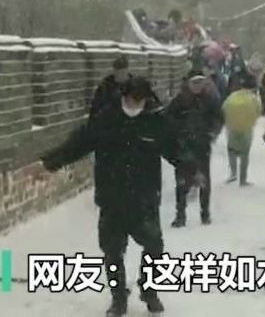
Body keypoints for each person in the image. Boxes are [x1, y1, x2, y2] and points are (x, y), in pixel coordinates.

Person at [40, 77, 203, 316]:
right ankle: (118, 299)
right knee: (113, 251)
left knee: (154, 247)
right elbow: (76, 144)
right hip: (112, 198)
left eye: (139, 100)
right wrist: (48, 163)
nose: (133, 104)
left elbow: (176, 149)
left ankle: (149, 290)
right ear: (122, 97)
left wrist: (191, 170)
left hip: (144, 198)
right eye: (130, 99)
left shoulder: (155, 122)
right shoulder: (106, 121)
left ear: (146, 100)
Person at [166, 69, 223, 227]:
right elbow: (168, 118)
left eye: (200, 82)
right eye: (194, 82)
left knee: (204, 180)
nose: (197, 85)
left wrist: (212, 132)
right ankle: (180, 214)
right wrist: (177, 133)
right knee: (182, 181)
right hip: (183, 146)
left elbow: (218, 117)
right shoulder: (180, 100)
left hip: (202, 145)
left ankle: (205, 213)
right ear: (188, 83)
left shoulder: (210, 99)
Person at [222, 73, 261, 186]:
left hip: (232, 128)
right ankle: (243, 179)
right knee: (245, 154)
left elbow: (224, 108)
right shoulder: (253, 98)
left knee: (232, 151)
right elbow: (258, 111)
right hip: (246, 129)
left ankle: (233, 173)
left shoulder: (232, 96)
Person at [88, 56, 131, 122]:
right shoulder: (106, 86)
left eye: (122, 72)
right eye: (117, 72)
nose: (120, 75)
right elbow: (95, 107)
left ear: (127, 70)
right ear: (114, 71)